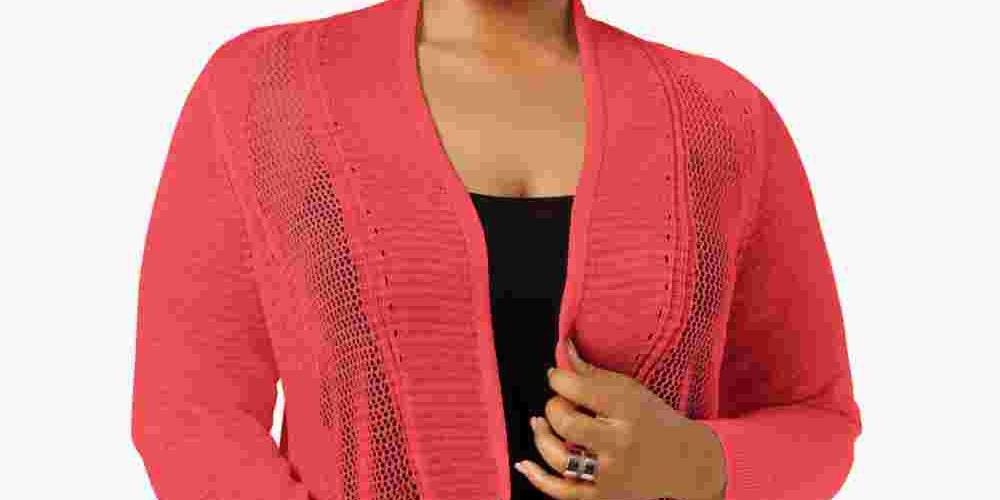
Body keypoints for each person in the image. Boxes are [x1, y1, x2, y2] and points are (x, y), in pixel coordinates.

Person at [131, 0, 863, 499]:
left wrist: (696, 465)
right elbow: (189, 416)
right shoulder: (262, 88)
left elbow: (815, 419)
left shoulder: (723, 118)